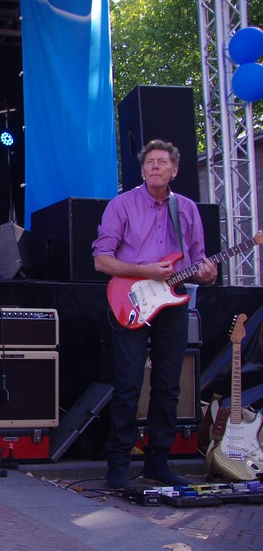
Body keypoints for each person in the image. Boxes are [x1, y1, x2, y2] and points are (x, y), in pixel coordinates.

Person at [92, 139, 216, 489]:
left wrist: (207, 274)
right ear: (143, 171)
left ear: (174, 170)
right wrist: (145, 271)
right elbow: (102, 260)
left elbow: (197, 262)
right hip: (132, 298)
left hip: (173, 303)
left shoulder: (186, 209)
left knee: (168, 384)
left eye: (162, 162)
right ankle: (118, 462)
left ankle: (157, 461)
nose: (155, 166)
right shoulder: (122, 205)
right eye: (150, 162)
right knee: (129, 382)